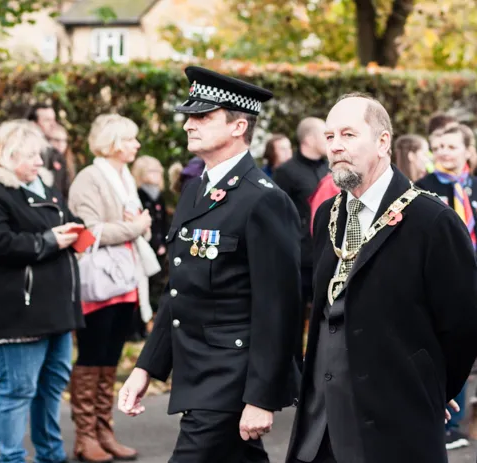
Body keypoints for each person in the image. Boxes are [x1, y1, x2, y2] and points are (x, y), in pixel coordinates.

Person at [286, 93, 477, 463]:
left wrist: (430, 388)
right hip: (320, 427)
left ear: (382, 142)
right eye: (329, 137)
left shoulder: (431, 221)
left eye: (348, 134)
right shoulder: (328, 214)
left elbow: (464, 324)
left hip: (394, 428)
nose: (336, 146)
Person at [118, 66, 302, 463]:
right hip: (196, 371)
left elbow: (278, 309)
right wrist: (145, 368)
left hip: (230, 378)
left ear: (239, 127)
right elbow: (180, 292)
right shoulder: (195, 191)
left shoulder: (263, 200)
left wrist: (261, 397)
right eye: (189, 116)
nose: (188, 124)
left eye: (202, 116)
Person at [0, 120, 84, 463]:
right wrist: (48, 241)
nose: (39, 162)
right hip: (16, 311)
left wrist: (80, 232)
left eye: (40, 154)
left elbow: (68, 218)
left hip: (55, 308)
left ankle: (51, 456)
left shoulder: (43, 187)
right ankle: (12, 458)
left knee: (50, 387)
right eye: (30, 155)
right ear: (5, 153)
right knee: (18, 390)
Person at [68, 114, 159, 462]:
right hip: (99, 282)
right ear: (114, 142)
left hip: (127, 279)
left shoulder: (122, 177)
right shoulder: (89, 179)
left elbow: (135, 225)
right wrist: (134, 227)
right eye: (131, 139)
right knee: (92, 356)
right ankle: (85, 436)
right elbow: (90, 232)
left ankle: (104, 431)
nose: (137, 145)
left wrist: (136, 227)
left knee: (110, 358)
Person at [416, 122, 477, 449]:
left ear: (467, 150)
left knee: (468, 346)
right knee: (439, 345)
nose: (444, 152)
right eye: (438, 147)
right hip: (440, 276)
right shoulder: (422, 186)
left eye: (451, 146)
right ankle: (441, 419)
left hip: (476, 274)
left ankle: (458, 418)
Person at [273, 117, 330, 365]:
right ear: (308, 139)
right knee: (294, 320)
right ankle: (293, 374)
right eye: (324, 134)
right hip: (296, 259)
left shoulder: (330, 168)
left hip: (325, 257)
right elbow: (276, 214)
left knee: (324, 318)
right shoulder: (286, 172)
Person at [132, 155, 170, 340]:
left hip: (159, 248)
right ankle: (136, 328)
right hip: (144, 248)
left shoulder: (158, 196)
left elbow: (162, 223)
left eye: (157, 171)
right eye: (150, 171)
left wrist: (164, 242)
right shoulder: (138, 195)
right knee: (141, 288)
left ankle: (150, 325)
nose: (155, 175)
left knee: (156, 287)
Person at [27, 103, 73, 198]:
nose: (53, 124)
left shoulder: (55, 154)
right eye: (47, 120)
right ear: (34, 123)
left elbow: (65, 190)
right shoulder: (21, 149)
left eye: (53, 119)